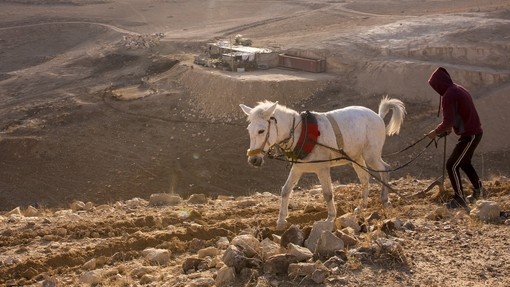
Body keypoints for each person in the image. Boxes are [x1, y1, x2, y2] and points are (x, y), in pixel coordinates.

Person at [426, 67, 484, 209]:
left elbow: (448, 121)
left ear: (438, 84)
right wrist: (449, 129)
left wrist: (435, 132)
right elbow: (459, 114)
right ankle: (479, 190)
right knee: (464, 162)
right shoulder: (457, 88)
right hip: (474, 132)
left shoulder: (448, 95)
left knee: (451, 165)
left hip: (470, 135)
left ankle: (459, 198)